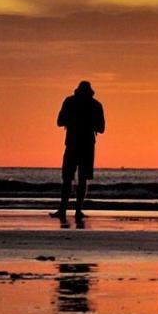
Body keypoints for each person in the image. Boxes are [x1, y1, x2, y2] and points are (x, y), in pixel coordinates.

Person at [52, 81, 105, 219]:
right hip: (85, 144)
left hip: (73, 143)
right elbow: (101, 128)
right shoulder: (96, 105)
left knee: (68, 178)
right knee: (81, 179)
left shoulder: (70, 102)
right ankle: (76, 211)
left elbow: (59, 121)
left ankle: (64, 210)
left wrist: (73, 121)